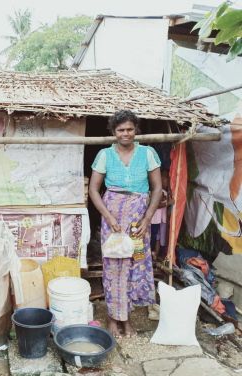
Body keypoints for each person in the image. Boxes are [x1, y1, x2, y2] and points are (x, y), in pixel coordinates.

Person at [89, 110, 162, 339]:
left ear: (135, 130)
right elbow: (93, 189)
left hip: (138, 220)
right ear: (114, 132)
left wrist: (147, 218)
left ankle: (126, 319)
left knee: (133, 265)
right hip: (113, 219)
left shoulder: (147, 153)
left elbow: (157, 189)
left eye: (130, 129)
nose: (126, 134)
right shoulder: (104, 155)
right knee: (113, 267)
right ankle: (112, 318)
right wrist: (108, 217)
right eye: (121, 130)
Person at [151, 170, 175, 261]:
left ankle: (157, 254)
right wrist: (168, 203)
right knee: (156, 237)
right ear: (162, 179)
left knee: (160, 237)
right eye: (167, 181)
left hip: (162, 220)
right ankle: (157, 253)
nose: (168, 184)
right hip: (156, 220)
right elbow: (155, 205)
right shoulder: (159, 191)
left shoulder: (165, 192)